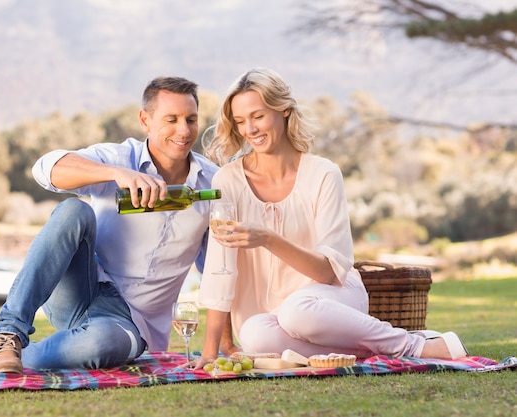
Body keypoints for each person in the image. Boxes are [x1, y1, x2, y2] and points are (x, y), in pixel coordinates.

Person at [0, 76, 222, 373]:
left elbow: (218, 271)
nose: (184, 130)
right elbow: (44, 169)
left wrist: (223, 345)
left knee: (100, 345)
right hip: (81, 289)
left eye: (191, 119)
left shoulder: (211, 183)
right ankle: (8, 335)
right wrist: (115, 173)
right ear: (145, 120)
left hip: (131, 324)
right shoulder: (118, 158)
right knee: (73, 211)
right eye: (171, 119)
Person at [194, 68, 468, 367]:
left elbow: (328, 272)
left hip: (331, 299)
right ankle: (367, 352)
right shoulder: (227, 180)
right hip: (273, 317)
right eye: (240, 121)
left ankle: (412, 344)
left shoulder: (323, 174)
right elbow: (219, 270)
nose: (250, 129)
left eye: (258, 116)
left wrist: (268, 239)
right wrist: (211, 353)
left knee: (298, 309)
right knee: (254, 335)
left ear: (284, 110)